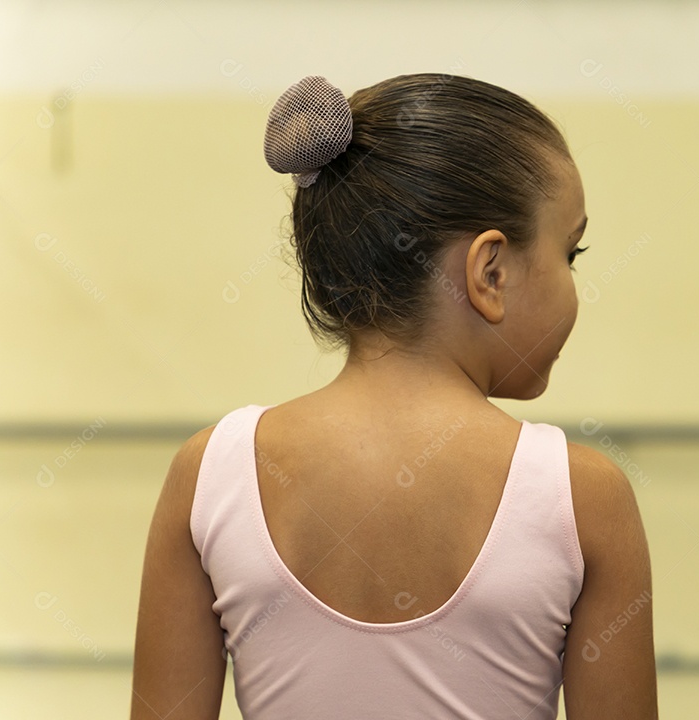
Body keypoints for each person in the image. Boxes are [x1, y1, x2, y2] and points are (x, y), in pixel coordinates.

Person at [130, 73, 657, 719]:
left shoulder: (211, 475)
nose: (574, 282)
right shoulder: (583, 498)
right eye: (571, 253)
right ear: (490, 272)